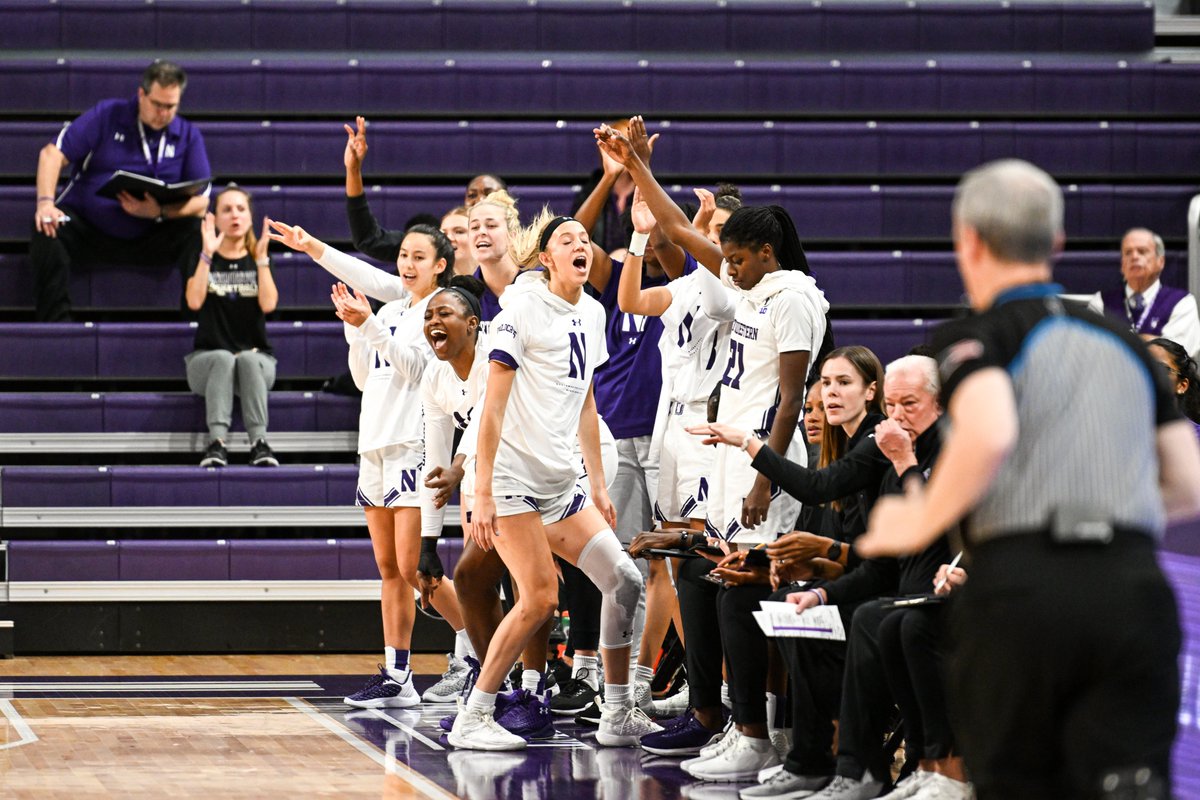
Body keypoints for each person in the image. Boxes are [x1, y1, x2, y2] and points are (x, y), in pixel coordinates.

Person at [858, 159, 1200, 800]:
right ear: (1057, 243)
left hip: (1026, 598)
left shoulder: (976, 337)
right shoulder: (1127, 344)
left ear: (969, 241)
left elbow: (989, 432)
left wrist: (919, 516)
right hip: (1132, 593)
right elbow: (1187, 485)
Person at [448, 212, 659, 751]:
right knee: (540, 598)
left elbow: (587, 401)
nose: (579, 245)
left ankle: (615, 712)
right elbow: (491, 410)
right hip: (513, 478)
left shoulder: (591, 310)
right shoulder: (522, 307)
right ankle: (474, 716)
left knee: (625, 579)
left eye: (584, 239)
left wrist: (599, 484)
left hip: (561, 483)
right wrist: (484, 490)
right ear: (546, 258)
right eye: (566, 240)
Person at [266, 218, 471, 711]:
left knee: (413, 565)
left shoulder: (440, 314)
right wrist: (354, 330)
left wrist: (370, 325)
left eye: (419, 256)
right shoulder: (393, 310)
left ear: (441, 266)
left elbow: (418, 369)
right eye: (403, 254)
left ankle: (476, 651)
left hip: (413, 445)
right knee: (388, 569)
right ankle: (398, 675)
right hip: (375, 444)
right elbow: (364, 379)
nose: (406, 263)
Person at [31, 60, 211, 321]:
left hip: (153, 229)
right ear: (141, 95)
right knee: (47, 226)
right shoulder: (108, 115)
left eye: (170, 106)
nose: (163, 113)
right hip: (91, 229)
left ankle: (195, 325)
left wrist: (159, 211)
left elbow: (202, 203)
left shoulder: (187, 134)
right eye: (157, 105)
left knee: (198, 232)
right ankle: (55, 326)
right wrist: (45, 203)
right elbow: (51, 155)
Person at [183, 185, 279, 468]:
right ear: (214, 218)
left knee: (247, 359)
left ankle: (259, 443)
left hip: (256, 361)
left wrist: (262, 261)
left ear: (250, 217)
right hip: (207, 361)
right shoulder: (202, 258)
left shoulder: (258, 257)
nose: (234, 215)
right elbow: (194, 300)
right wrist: (206, 255)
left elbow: (269, 304)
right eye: (227, 209)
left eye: (241, 209)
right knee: (224, 358)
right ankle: (216, 444)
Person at [1088, 227, 1200, 357]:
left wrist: (1117, 341)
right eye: (1128, 252)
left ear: (1160, 261)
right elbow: (1091, 349)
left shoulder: (1182, 302)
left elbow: (1175, 355)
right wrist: (1151, 341)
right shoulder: (1100, 301)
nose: (1134, 256)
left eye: (1142, 251)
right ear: (1122, 264)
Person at [1147, 336, 1200, 440]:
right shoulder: (1120, 427)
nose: (1150, 373)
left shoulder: (1195, 438)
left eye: (1161, 369)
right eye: (1144, 365)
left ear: (1182, 385)